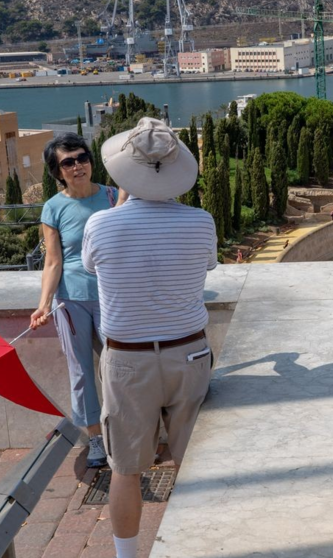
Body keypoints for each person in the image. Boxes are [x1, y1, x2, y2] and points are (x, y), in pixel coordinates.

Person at [83, 118, 217, 558]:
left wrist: (123, 203)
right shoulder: (201, 222)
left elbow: (92, 267)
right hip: (190, 353)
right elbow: (205, 269)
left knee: (124, 469)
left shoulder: (100, 226)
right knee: (195, 465)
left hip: (127, 361)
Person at [30, 132, 126, 469]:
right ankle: (96, 440)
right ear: (58, 171)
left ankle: (126, 431)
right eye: (67, 162)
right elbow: (53, 262)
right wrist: (43, 304)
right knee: (82, 372)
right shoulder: (53, 208)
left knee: (121, 367)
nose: (77, 165)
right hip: (71, 301)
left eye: (82, 157)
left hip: (113, 296)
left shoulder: (114, 195)